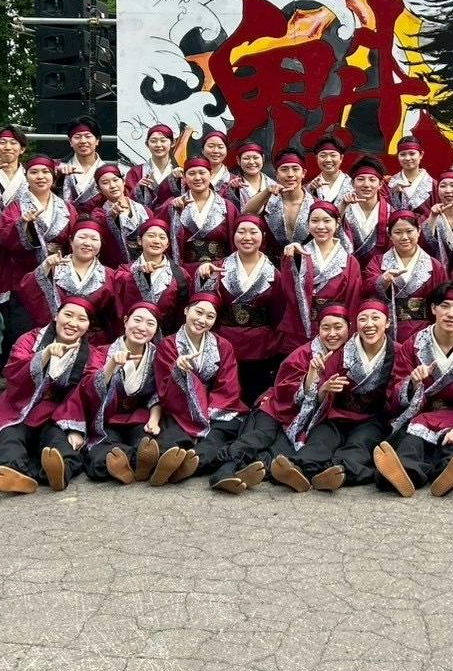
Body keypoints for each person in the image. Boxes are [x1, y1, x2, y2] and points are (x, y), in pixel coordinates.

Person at [208, 304, 351, 494]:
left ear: (349, 328)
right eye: (326, 328)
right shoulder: (303, 353)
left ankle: (246, 472)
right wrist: (310, 377)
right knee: (261, 436)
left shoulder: (350, 357)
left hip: (303, 420)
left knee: (281, 451)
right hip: (275, 407)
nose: (332, 334)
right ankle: (225, 469)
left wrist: (322, 392)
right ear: (318, 329)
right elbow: (283, 389)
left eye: (338, 327)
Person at [373, 280, 453, 498]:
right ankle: (404, 474)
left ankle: (448, 475)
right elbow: (394, 389)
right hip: (422, 414)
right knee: (410, 444)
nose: (451, 314)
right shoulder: (414, 344)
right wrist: (413, 383)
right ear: (434, 309)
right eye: (444, 306)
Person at [0, 298, 100, 494]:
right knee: (11, 440)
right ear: (56, 315)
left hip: (56, 416)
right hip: (19, 410)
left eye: (81, 319)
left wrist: (75, 428)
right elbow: (13, 373)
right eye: (68, 315)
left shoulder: (91, 355)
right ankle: (12, 475)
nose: (73, 323)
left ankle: (55, 474)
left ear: (88, 326)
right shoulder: (30, 340)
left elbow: (86, 394)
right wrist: (44, 355)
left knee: (60, 446)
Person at [273, 298, 397, 491]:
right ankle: (298, 469)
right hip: (337, 412)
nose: (369, 324)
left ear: (387, 322)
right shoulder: (341, 352)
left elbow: (397, 389)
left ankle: (336, 472)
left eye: (375, 318)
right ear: (355, 324)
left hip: (371, 418)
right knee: (321, 440)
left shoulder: (397, 352)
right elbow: (321, 389)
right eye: (363, 319)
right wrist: (325, 389)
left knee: (360, 444)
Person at [53, 302, 165, 485]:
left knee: (147, 444)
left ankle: (137, 463)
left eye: (150, 324)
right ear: (126, 321)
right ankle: (132, 465)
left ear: (156, 330)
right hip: (105, 419)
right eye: (137, 320)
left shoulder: (157, 356)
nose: (142, 327)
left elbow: (158, 393)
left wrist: (153, 420)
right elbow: (87, 388)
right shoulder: (101, 353)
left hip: (138, 417)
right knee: (104, 453)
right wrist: (112, 365)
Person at [150, 291, 245, 485]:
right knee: (171, 439)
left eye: (210, 316)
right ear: (186, 310)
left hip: (214, 409)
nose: (202, 320)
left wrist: (206, 414)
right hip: (181, 409)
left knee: (216, 437)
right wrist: (177, 370)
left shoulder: (223, 345)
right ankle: (170, 462)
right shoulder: (168, 345)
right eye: (198, 312)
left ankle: (189, 464)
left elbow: (228, 385)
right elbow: (163, 387)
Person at [0, 154, 77, 358]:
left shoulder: (66, 207)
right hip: (24, 278)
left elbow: (73, 240)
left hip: (58, 276)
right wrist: (23, 225)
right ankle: (21, 367)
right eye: (34, 172)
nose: (40, 176)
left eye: (46, 172)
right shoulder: (16, 207)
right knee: (22, 329)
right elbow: (4, 237)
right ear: (26, 176)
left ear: (53, 176)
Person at [200, 214, 283, 404]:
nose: (247, 237)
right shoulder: (218, 267)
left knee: (255, 395)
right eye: (241, 232)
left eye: (253, 232)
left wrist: (274, 342)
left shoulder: (273, 273)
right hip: (225, 338)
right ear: (233, 235)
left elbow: (279, 311)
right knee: (225, 392)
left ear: (263, 236)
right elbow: (204, 303)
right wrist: (202, 278)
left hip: (260, 343)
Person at [279, 200, 363, 351]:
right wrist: (293, 259)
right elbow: (288, 290)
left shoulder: (350, 262)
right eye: (315, 221)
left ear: (337, 223)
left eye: (327, 221)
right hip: (302, 325)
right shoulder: (298, 253)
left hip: (334, 328)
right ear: (308, 224)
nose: (321, 226)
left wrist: (348, 332)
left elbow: (352, 301)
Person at [14, 220, 113, 334]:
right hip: (51, 332)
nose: (87, 243)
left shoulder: (110, 275)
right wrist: (45, 266)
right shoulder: (53, 267)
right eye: (82, 237)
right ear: (71, 241)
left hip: (92, 337)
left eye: (94, 239)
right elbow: (28, 291)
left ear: (101, 244)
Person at [365, 209, 448, 342]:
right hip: (387, 328)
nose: (404, 237)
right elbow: (367, 290)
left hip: (423, 329)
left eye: (409, 231)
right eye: (398, 232)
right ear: (389, 234)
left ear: (419, 231)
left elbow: (442, 301)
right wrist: (383, 280)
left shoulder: (434, 266)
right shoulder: (378, 262)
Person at [110, 217, 189, 339]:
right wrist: (139, 273)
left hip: (166, 336)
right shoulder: (124, 271)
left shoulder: (180, 274)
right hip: (133, 334)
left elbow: (182, 311)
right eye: (151, 236)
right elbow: (118, 305)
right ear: (139, 240)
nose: (156, 241)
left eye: (162, 237)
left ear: (167, 244)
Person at [164, 156, 239, 268]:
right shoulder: (173, 205)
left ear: (211, 174)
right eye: (191, 173)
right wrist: (176, 213)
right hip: (185, 270)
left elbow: (236, 240)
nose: (197, 178)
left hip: (219, 269)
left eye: (202, 173)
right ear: (184, 177)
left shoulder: (227, 206)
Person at [246, 149, 311, 258]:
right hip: (272, 263)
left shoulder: (315, 205)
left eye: (295, 169)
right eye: (284, 169)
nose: (290, 174)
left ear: (303, 173)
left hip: (307, 263)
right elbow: (246, 213)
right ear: (276, 174)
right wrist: (267, 191)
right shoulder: (267, 201)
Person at [88, 163, 152, 268]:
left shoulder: (144, 210)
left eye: (115, 180)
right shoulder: (99, 214)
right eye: (105, 183)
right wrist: (112, 216)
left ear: (123, 181)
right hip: (117, 268)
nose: (112, 186)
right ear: (99, 189)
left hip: (147, 264)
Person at [343, 155, 393, 265]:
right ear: (352, 183)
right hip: (349, 270)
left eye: (372, 180)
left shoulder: (391, 213)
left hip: (380, 270)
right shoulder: (343, 210)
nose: (366, 184)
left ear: (380, 184)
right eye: (360, 179)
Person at [124, 123, 183, 211]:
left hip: (171, 217)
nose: (158, 145)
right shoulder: (136, 172)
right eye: (153, 141)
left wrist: (179, 181)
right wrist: (139, 188)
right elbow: (127, 201)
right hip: (145, 218)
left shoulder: (180, 172)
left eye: (163, 140)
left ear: (173, 143)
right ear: (147, 144)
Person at [57, 117, 105, 208]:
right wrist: (59, 178)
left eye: (88, 136)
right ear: (70, 142)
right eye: (77, 137)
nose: (83, 141)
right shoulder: (59, 167)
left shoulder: (108, 171)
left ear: (97, 140)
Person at [384, 135, 434, 216]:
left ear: (421, 155)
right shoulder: (388, 184)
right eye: (403, 154)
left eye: (412, 153)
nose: (407, 158)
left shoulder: (433, 185)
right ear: (398, 156)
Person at [0, 124, 29, 217]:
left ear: (22, 149)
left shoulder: (29, 175)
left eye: (13, 143)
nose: (8, 147)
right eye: (2, 142)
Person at [308, 135, 356, 206]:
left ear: (341, 158)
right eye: (323, 155)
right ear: (317, 158)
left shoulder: (353, 185)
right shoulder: (310, 187)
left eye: (333, 155)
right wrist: (310, 190)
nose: (328, 160)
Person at [226, 142, 270, 210]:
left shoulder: (273, 184)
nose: (251, 162)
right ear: (238, 160)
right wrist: (233, 190)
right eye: (246, 158)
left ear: (263, 158)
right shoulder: (232, 185)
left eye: (256, 158)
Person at [199, 129, 236, 199]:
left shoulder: (235, 181)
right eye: (210, 146)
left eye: (220, 147)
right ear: (202, 150)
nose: (215, 151)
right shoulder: (190, 178)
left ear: (226, 151)